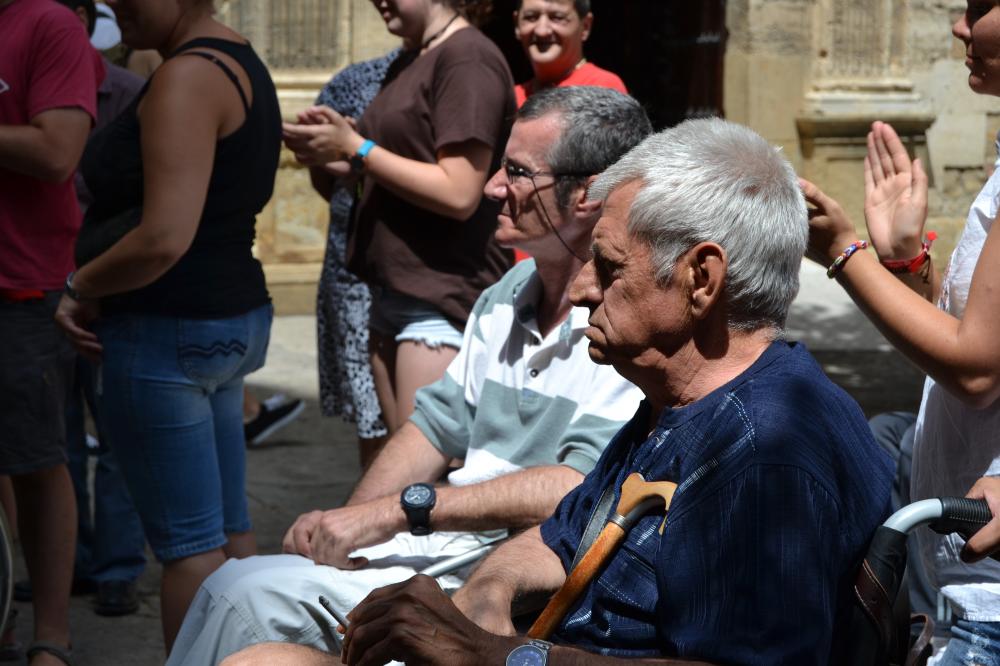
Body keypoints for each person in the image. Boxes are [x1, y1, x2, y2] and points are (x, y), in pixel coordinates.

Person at [230, 117, 896, 666]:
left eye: (606, 268)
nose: (580, 291)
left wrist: (497, 656)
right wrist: (489, 592)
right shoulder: (679, 405)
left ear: (701, 278)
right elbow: (564, 532)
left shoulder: (764, 453)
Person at [167, 86, 651, 666]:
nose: (495, 187)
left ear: (589, 195)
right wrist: (345, 527)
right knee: (253, 582)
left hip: (512, 581)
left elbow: (579, 487)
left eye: (518, 172)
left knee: (241, 594)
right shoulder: (504, 295)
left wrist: (398, 510)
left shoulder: (620, 327)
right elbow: (433, 427)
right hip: (440, 545)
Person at [52, 0, 282, 650]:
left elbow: (163, 236)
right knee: (228, 532)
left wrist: (79, 287)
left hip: (169, 328)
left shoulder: (189, 74)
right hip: (223, 323)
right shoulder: (238, 59)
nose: (113, 5)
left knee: (190, 550)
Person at [800, 4, 1000, 661]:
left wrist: (840, 253)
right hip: (954, 586)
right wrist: (904, 264)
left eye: (979, 7)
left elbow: (975, 370)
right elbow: (968, 344)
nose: (959, 27)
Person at [283, 0, 515, 437]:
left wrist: (356, 147)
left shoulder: (467, 58)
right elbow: (394, 169)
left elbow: (459, 190)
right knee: (401, 479)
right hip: (394, 294)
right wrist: (335, 156)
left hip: (439, 297)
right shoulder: (416, 56)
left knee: (427, 482)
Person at [0, 0, 103, 662]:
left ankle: (52, 635)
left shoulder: (46, 22)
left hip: (21, 286)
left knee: (36, 460)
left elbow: (57, 151)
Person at [53, 0, 148, 618]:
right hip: (39, 285)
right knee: (55, 438)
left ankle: (117, 566)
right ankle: (72, 563)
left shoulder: (137, 95)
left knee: (117, 436)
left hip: (114, 287)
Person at [309, 49, 402, 468]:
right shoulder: (355, 80)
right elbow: (318, 165)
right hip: (355, 272)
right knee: (374, 422)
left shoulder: (461, 69)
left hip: (422, 275)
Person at [513, 0, 626, 107]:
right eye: (531, 17)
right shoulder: (511, 98)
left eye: (557, 17)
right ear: (516, 24)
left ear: (585, 26)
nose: (541, 31)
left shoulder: (602, 90)